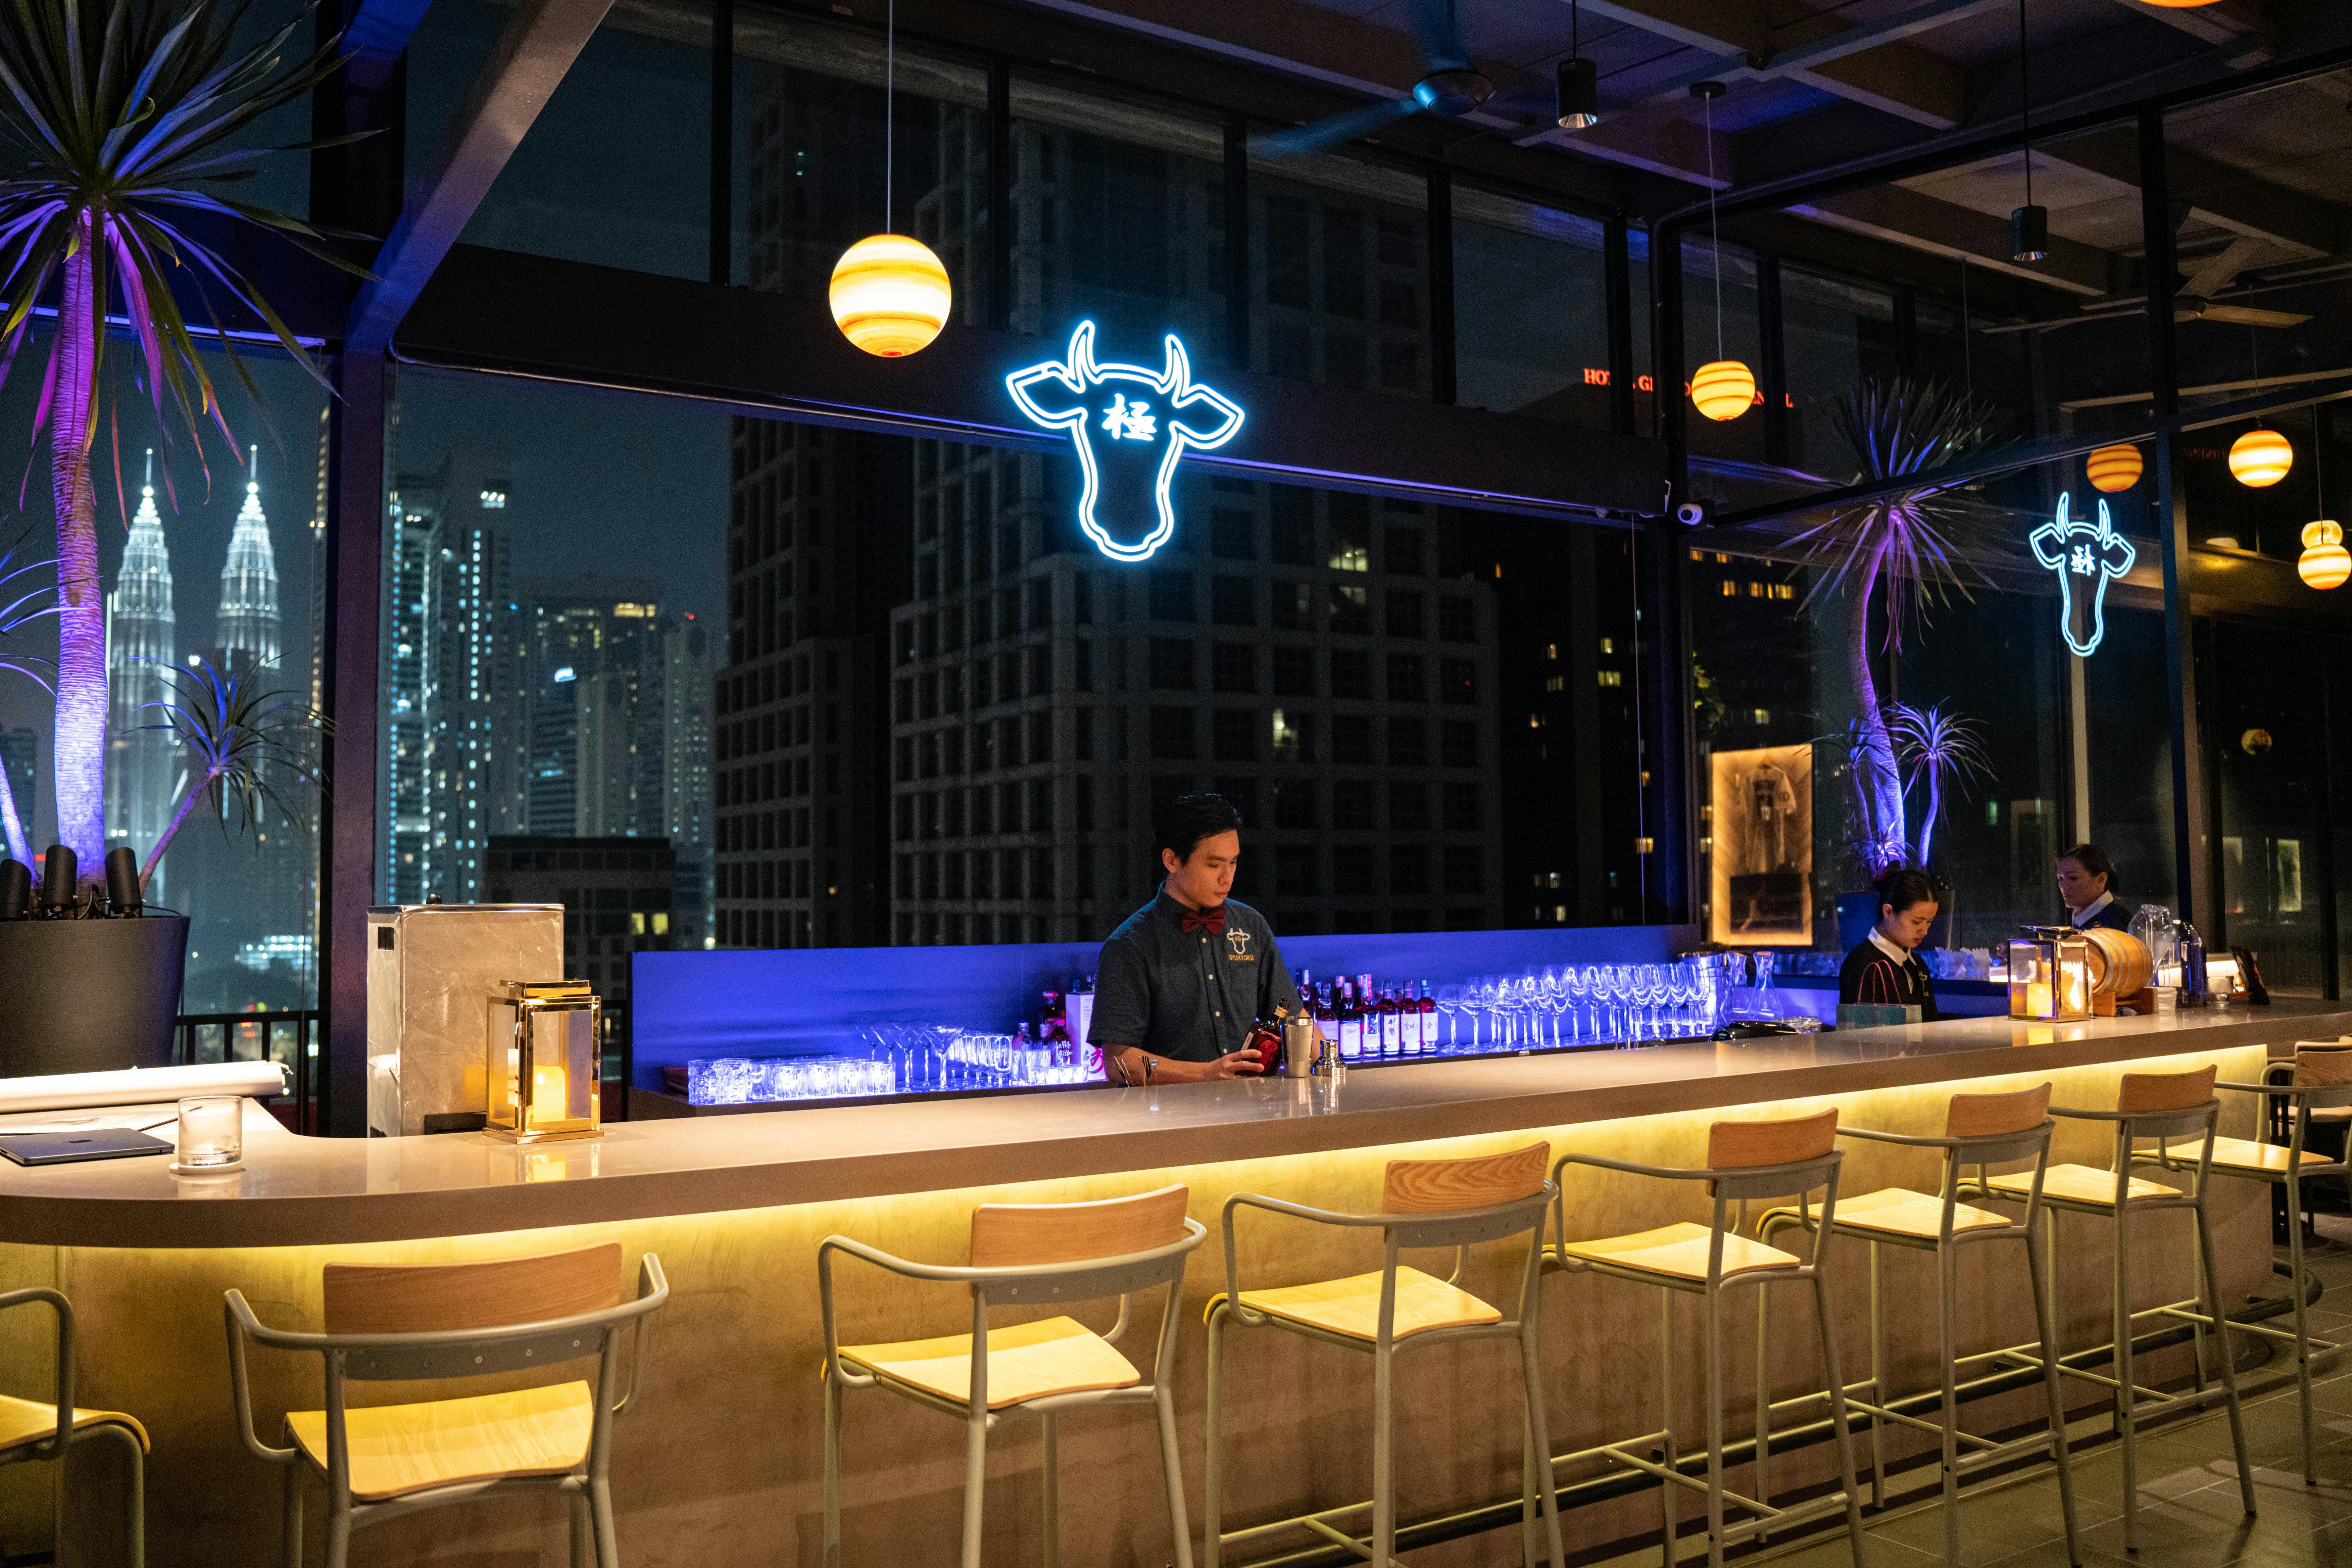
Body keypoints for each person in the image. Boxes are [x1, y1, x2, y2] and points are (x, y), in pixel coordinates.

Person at [1088, 793, 1303, 1085]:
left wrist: (1331, 1063)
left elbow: (1296, 1021)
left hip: (1247, 1106)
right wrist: (1205, 1073)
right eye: (1214, 865)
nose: (1227, 878)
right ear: (1172, 860)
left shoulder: (1251, 926)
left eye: (1233, 863)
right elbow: (1119, 1062)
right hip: (1167, 1111)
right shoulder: (1130, 945)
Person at [1838, 867, 1943, 1021]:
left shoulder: (1917, 964)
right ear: (1888, 912)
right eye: (1916, 922)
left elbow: (1931, 1025)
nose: (1924, 931)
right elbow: (1860, 1032)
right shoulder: (1863, 964)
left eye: (1929, 922)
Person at [2055, 843, 2133, 932]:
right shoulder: (2081, 920)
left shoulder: (2114, 924)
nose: (2064, 886)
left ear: (2102, 879)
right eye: (2061, 879)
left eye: (2073, 878)